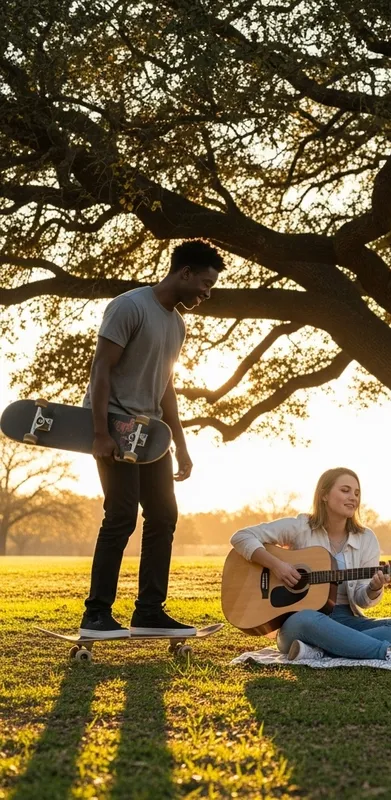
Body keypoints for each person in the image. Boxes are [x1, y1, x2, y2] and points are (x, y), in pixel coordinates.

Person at [79, 240, 225, 639]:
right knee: (122, 515)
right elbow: (101, 370)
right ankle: (96, 614)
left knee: (163, 516)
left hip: (151, 435)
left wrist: (180, 442)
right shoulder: (130, 307)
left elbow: (166, 386)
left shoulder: (176, 324)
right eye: (205, 284)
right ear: (184, 273)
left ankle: (148, 611)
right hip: (115, 425)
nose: (206, 293)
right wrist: (99, 433)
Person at [229, 467, 391, 664]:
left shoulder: (366, 539)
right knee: (306, 619)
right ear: (324, 495)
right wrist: (276, 565)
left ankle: (318, 650)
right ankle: (387, 653)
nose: (353, 498)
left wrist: (374, 587)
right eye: (345, 490)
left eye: (357, 493)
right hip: (302, 622)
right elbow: (241, 537)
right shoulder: (301, 526)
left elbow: (361, 599)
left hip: (346, 619)